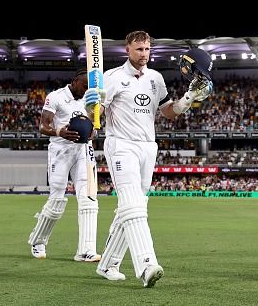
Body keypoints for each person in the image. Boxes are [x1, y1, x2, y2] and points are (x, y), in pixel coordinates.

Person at [85, 31, 213, 288]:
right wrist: (90, 106)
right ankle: (146, 264)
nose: (144, 54)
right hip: (121, 145)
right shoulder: (111, 78)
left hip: (147, 147)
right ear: (127, 50)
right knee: (133, 205)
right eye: (139, 49)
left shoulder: (156, 78)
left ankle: (108, 264)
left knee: (132, 207)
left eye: (147, 49)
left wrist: (188, 98)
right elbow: (93, 114)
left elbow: (168, 112)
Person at [27, 69, 101, 262]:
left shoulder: (91, 99)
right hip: (61, 151)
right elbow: (43, 126)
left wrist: (93, 132)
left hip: (84, 151)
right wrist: (60, 131)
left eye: (89, 88)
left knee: (88, 198)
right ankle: (38, 240)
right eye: (84, 86)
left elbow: (94, 126)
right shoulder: (56, 97)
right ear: (75, 81)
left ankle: (86, 250)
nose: (86, 91)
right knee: (57, 198)